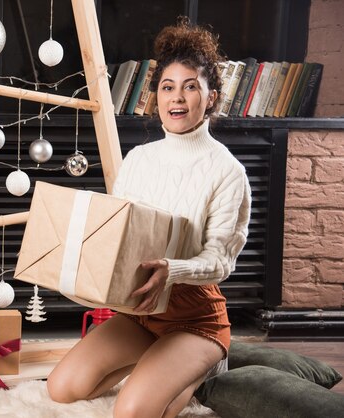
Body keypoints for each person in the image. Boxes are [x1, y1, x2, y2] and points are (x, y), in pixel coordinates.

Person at [47, 19, 251, 418]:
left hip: (195, 317)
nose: (177, 98)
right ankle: (159, 363)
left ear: (210, 97)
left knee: (132, 413)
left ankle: (200, 369)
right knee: (62, 388)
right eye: (168, 86)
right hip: (140, 311)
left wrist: (171, 270)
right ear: (156, 94)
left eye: (191, 86)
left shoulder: (228, 172)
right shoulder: (139, 159)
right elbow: (118, 233)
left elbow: (221, 262)